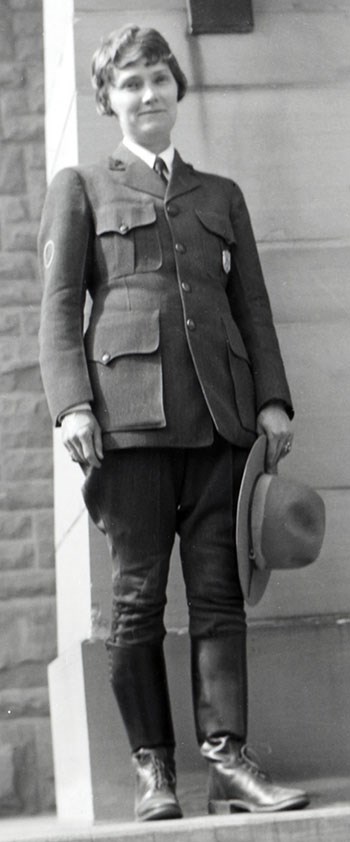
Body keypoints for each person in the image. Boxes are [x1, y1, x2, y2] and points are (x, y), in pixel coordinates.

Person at [38, 25, 309, 821]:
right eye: (131, 84)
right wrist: (72, 405)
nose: (148, 94)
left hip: (222, 420)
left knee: (222, 597)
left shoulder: (220, 195)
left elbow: (250, 303)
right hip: (126, 428)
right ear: (108, 101)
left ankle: (229, 764)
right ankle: (153, 770)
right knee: (136, 601)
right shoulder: (83, 184)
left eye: (160, 79)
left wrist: (273, 398)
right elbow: (57, 310)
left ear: (177, 92)